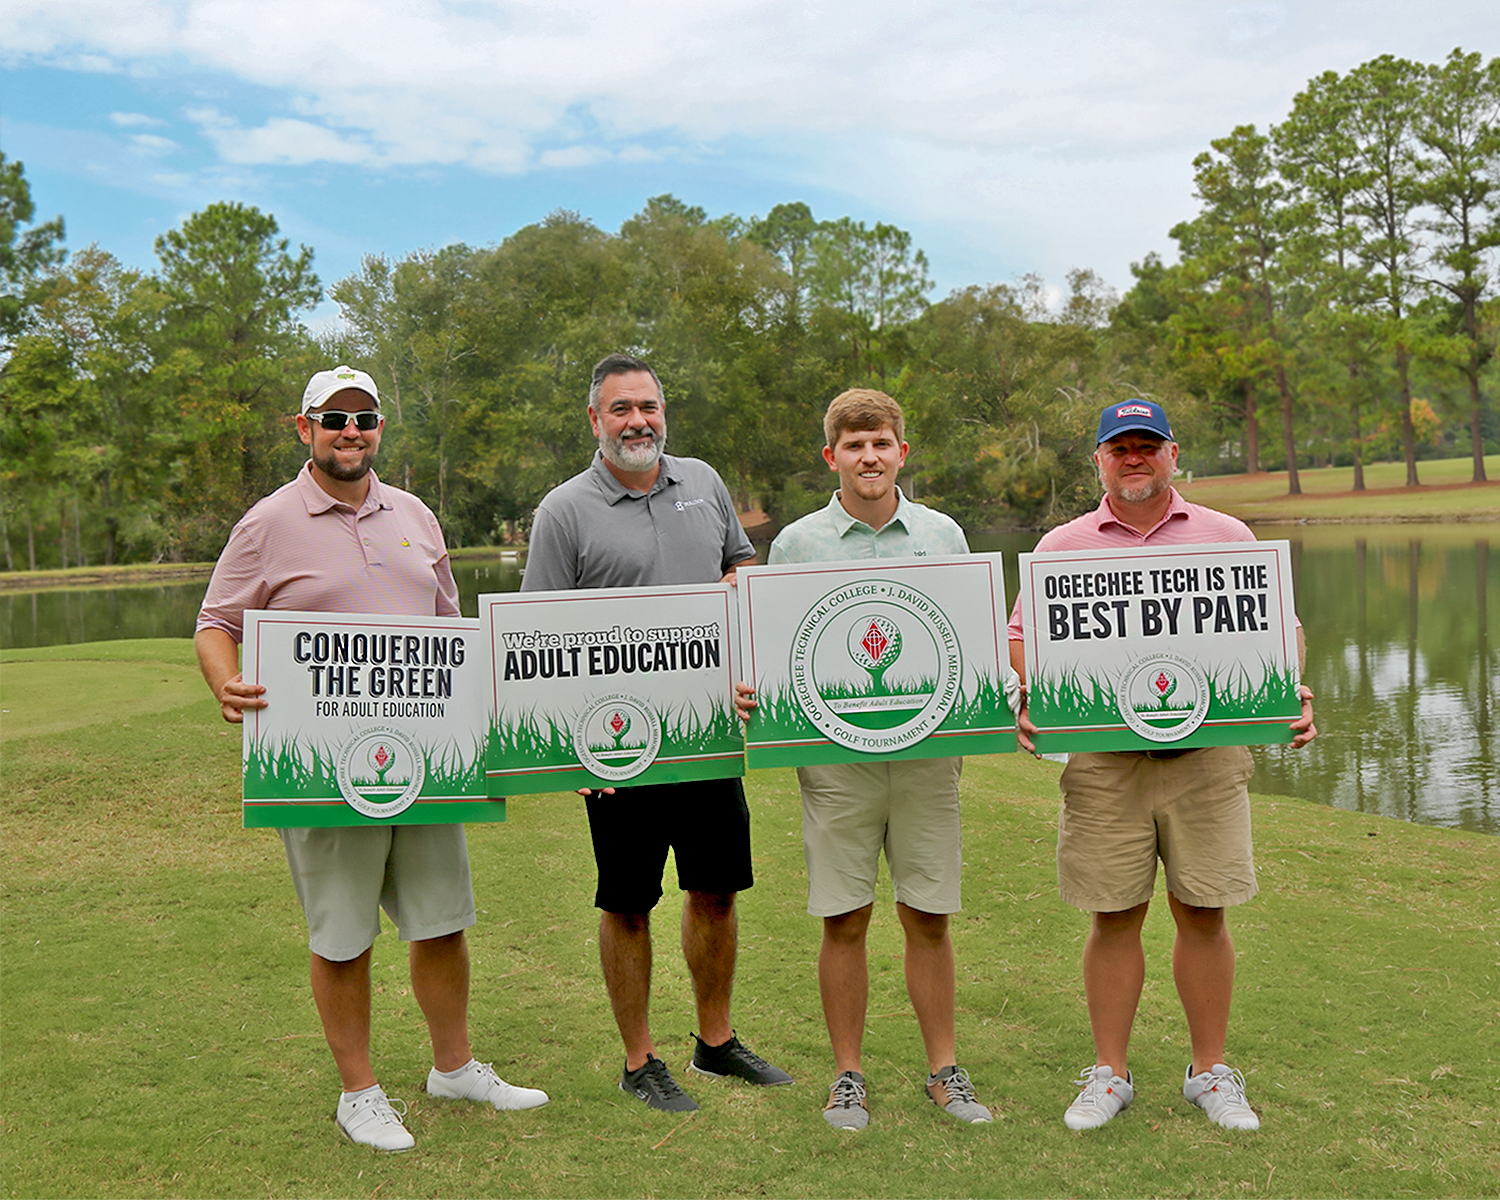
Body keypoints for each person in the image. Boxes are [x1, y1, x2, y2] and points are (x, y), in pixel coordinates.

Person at [195, 366, 547, 1153]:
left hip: (426, 763)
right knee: (342, 934)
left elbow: (454, 635)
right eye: (334, 419)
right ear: (304, 427)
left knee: (442, 922)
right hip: (319, 766)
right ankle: (359, 1092)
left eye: (365, 419)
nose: (350, 432)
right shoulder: (267, 522)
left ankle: (453, 1067)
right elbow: (215, 623)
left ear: (379, 427)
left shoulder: (416, 516)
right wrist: (229, 686)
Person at [1007, 398, 1317, 1133]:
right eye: (1121, 448)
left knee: (1204, 910)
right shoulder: (1062, 546)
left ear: (1174, 454)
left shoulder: (1226, 534)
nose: (1135, 458)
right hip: (1106, 764)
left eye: (1149, 445)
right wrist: (1038, 693)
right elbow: (1022, 638)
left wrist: (1286, 693)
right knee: (1113, 915)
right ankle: (1108, 1074)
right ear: (1099, 462)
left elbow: (1279, 631)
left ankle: (1209, 1071)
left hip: (1204, 760)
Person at [521, 352, 792, 1112]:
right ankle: (640, 1061)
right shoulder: (563, 510)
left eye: (648, 406)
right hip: (617, 747)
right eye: (620, 409)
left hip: (707, 736)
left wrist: (738, 611)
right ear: (595, 420)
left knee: (715, 891)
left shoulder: (702, 483)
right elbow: (537, 635)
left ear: (663, 411)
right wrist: (568, 743)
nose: (637, 420)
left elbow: (738, 567)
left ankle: (714, 1043)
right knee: (629, 901)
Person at [735, 388, 992, 1132]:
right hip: (835, 762)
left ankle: (944, 1069)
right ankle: (847, 1075)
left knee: (930, 915)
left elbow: (969, 641)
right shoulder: (797, 545)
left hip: (927, 759)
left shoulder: (943, 534)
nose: (869, 456)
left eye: (881, 442)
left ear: (901, 451)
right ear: (832, 456)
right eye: (854, 445)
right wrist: (754, 687)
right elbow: (772, 650)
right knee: (844, 918)